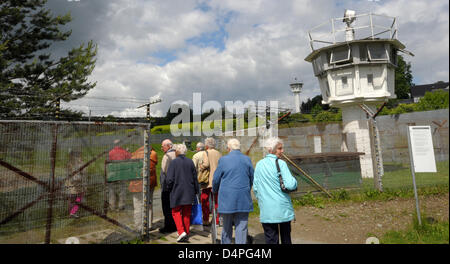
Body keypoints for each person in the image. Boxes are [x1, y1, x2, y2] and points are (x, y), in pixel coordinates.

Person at [253, 137, 297, 244]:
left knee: (271, 239)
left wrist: (261, 200)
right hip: (282, 208)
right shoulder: (281, 163)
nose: (282, 151)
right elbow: (290, 185)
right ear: (271, 150)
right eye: (279, 148)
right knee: (286, 238)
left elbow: (255, 188)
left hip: (267, 209)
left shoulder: (259, 164)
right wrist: (295, 181)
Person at [212, 138, 254, 244]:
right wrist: (247, 188)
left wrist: (215, 190)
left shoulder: (223, 160)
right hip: (243, 197)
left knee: (226, 227)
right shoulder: (247, 159)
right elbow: (252, 178)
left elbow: (216, 179)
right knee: (242, 227)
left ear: (228, 148)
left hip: (227, 198)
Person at [165, 144, 199, 242]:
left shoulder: (174, 162)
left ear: (177, 152)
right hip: (189, 191)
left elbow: (169, 179)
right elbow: (194, 178)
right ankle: (186, 232)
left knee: (175, 212)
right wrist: (196, 190)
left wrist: (168, 188)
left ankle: (181, 231)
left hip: (177, 191)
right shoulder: (190, 162)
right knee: (186, 213)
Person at [129, 146, 158, 231]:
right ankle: (148, 225)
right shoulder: (153, 154)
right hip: (148, 184)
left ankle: (138, 226)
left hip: (136, 184)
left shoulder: (135, 154)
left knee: (138, 205)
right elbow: (151, 168)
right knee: (148, 204)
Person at [199, 137, 221, 226]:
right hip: (217, 180)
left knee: (204, 200)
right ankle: (217, 220)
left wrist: (201, 166)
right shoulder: (219, 153)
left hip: (207, 180)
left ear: (207, 145)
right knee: (216, 201)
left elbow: (206, 164)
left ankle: (206, 219)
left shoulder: (205, 152)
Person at [159, 139, 177, 233]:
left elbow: (164, 170)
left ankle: (168, 227)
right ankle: (175, 224)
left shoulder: (167, 156)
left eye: (163, 146)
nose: (162, 148)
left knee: (166, 207)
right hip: (176, 185)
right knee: (174, 207)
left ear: (169, 146)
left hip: (167, 186)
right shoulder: (177, 154)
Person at [108, 139, 131, 211]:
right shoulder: (124, 152)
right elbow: (130, 159)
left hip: (113, 174)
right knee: (122, 190)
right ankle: (121, 205)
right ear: (120, 144)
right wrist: (128, 151)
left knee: (112, 191)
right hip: (122, 174)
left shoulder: (110, 152)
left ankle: (112, 206)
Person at [65, 149, 86, 218]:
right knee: (75, 198)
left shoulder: (70, 162)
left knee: (75, 198)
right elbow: (83, 172)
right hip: (75, 182)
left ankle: (72, 212)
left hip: (73, 182)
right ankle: (72, 212)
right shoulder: (76, 163)